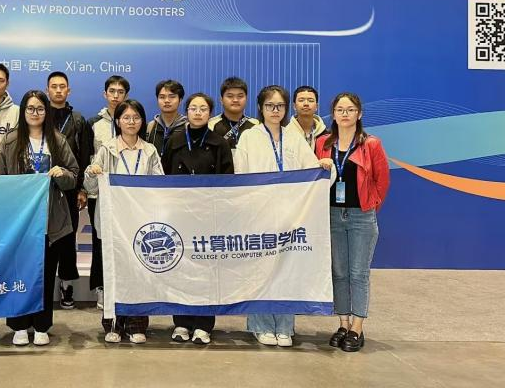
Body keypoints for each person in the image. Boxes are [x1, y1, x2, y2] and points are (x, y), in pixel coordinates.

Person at [235, 85, 333, 348]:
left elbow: (311, 169)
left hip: (290, 216)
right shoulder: (249, 137)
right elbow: (240, 176)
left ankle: (285, 326)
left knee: (287, 271)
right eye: (270, 105)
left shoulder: (294, 137)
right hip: (259, 215)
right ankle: (261, 325)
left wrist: (324, 166)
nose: (275, 110)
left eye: (279, 106)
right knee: (261, 271)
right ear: (261, 107)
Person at [0, 90, 79, 347]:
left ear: (46, 112)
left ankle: (42, 325)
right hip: (20, 221)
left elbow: (74, 175)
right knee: (18, 274)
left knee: (45, 274)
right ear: (23, 111)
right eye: (30, 108)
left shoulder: (57, 140)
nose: (35, 113)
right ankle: (19, 325)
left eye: (40, 109)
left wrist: (62, 174)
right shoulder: (10, 141)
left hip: (50, 221)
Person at [314, 92, 389, 353]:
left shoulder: (372, 144)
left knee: (359, 272)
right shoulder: (322, 143)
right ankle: (343, 323)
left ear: (360, 114)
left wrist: (369, 205)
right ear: (333, 114)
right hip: (331, 215)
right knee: (339, 272)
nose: (345, 114)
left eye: (350, 109)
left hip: (361, 216)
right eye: (340, 109)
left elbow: (382, 181)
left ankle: (357, 327)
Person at [84, 99, 163, 344]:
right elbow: (90, 187)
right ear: (117, 121)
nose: (131, 122)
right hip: (112, 222)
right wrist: (92, 173)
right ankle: (113, 325)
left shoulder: (149, 151)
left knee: (139, 273)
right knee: (113, 274)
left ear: (142, 121)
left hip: (140, 223)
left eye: (136, 118)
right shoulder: (107, 149)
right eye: (126, 118)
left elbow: (160, 184)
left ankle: (137, 324)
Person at [162, 92, 234, 345]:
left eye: (203, 109)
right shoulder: (174, 141)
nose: (198, 112)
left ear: (210, 113)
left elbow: (228, 181)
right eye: (193, 108)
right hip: (179, 215)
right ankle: (181, 322)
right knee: (180, 268)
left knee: (206, 270)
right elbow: (164, 176)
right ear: (187, 111)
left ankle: (204, 325)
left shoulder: (219, 143)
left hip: (208, 216)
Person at [45, 71, 92, 310]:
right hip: (42, 189)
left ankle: (67, 284)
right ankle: (41, 286)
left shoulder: (78, 120)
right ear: (47, 90)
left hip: (69, 187)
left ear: (68, 90)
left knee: (67, 238)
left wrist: (82, 188)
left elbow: (84, 156)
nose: (58, 90)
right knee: (43, 240)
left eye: (62, 86)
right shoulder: (40, 116)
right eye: (54, 86)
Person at [86, 75, 130, 308]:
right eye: (112, 91)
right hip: (100, 193)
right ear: (105, 94)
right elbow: (86, 155)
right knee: (100, 242)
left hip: (127, 196)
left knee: (125, 242)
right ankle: (101, 288)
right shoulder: (94, 122)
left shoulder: (133, 120)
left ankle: (123, 287)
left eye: (120, 92)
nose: (116, 96)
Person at [208, 76, 259, 163]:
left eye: (240, 96)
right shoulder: (211, 125)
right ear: (221, 100)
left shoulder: (256, 125)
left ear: (246, 99)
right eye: (230, 96)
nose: (235, 100)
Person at [144, 79, 187, 157]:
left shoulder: (187, 126)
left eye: (172, 97)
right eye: (162, 97)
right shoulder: (150, 127)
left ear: (180, 100)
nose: (167, 100)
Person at [289, 85, 326, 150]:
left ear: (316, 106)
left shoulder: (326, 135)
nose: (306, 104)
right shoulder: (285, 133)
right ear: (294, 106)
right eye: (301, 100)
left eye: (310, 100)